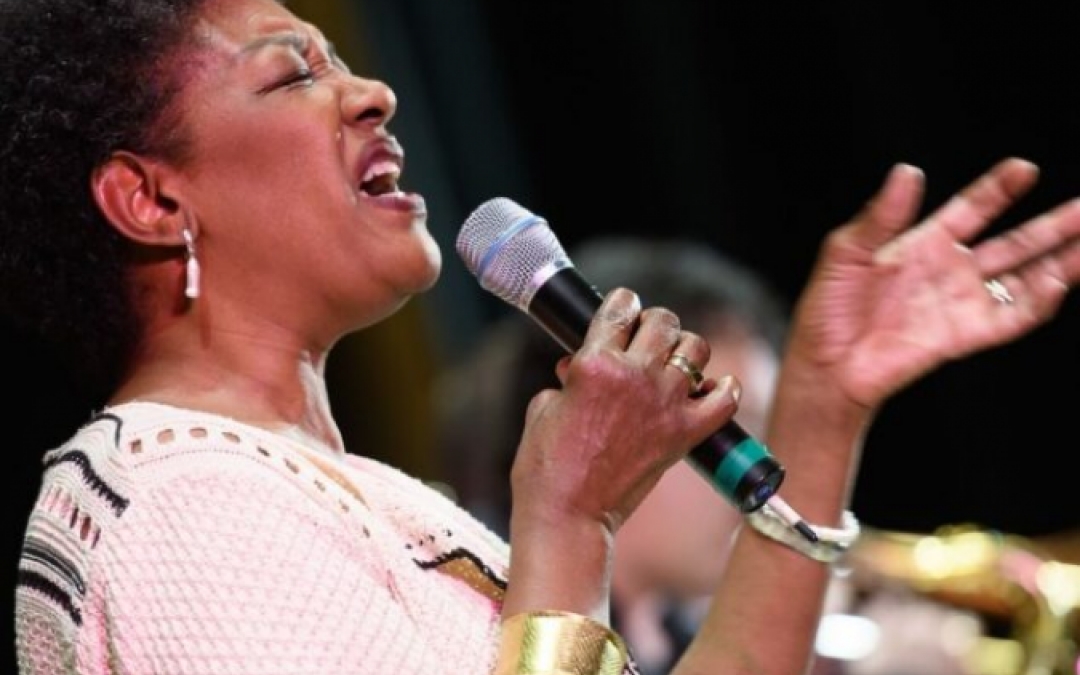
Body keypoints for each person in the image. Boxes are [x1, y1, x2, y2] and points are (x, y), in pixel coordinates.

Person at [4, 0, 1080, 673]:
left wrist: (824, 401)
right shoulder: (184, 508)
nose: (374, 93)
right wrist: (570, 523)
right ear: (151, 200)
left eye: (341, 63)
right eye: (293, 75)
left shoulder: (344, 494)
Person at [435, 237, 791, 675]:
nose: (746, 473)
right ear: (602, 421)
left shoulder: (676, 636)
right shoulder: (467, 615)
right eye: (726, 437)